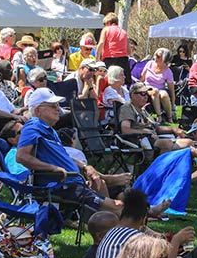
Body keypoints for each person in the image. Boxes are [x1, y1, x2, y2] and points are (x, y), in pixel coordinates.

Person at [15, 87, 123, 215]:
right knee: (118, 207)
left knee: (103, 187)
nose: (58, 109)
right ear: (38, 110)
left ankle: (113, 227)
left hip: (73, 183)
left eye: (58, 105)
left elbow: (64, 158)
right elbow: (21, 156)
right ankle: (132, 229)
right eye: (53, 106)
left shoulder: (49, 130)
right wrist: (52, 168)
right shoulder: (32, 127)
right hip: (62, 186)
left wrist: (85, 166)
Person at [119, 82, 187, 155]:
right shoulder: (127, 108)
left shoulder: (143, 110)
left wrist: (173, 129)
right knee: (167, 144)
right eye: (142, 94)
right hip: (140, 139)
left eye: (146, 94)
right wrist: (146, 132)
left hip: (153, 137)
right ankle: (160, 165)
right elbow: (125, 130)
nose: (146, 97)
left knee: (188, 142)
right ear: (133, 95)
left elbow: (156, 127)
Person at [141, 48, 176, 122]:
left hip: (161, 89)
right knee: (155, 91)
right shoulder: (150, 64)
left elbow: (171, 90)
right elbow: (142, 78)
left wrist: (173, 104)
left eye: (158, 57)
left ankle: (169, 116)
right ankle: (159, 115)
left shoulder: (168, 71)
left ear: (165, 60)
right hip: (147, 88)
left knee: (164, 94)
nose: (155, 58)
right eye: (155, 55)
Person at [96, 12, 130, 84]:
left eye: (104, 24)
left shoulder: (106, 30)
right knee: (124, 82)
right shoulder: (124, 32)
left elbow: (101, 43)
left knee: (108, 82)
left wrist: (97, 59)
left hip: (110, 59)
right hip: (123, 60)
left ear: (108, 22)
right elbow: (129, 51)